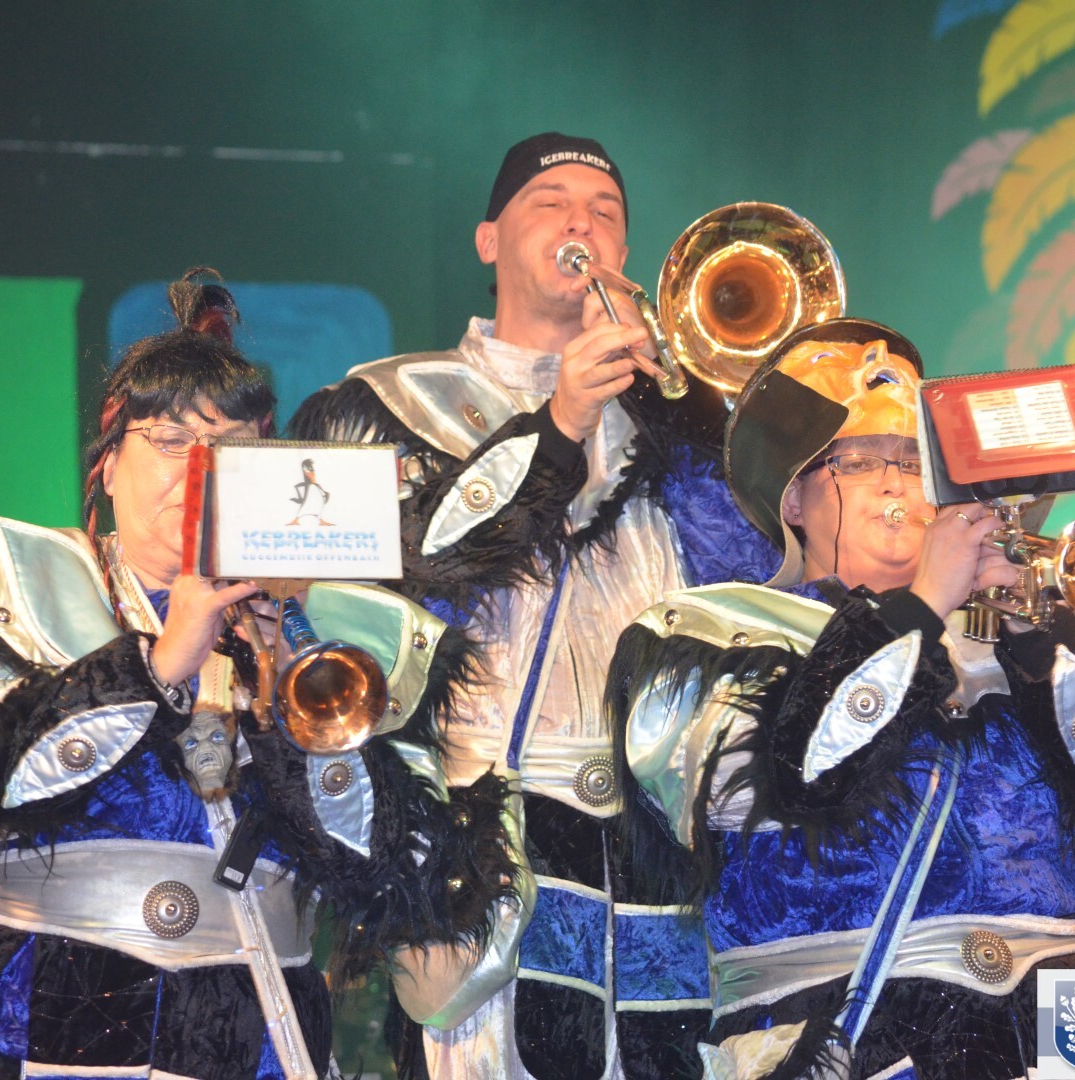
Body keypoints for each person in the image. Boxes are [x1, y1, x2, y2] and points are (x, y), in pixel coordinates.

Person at [0, 271, 511, 1079]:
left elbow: (388, 876)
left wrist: (293, 698)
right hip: (29, 1015)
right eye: (170, 443)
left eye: (230, 450)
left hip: (254, 1028)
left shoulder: (327, 628)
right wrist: (163, 661)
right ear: (107, 464)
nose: (199, 472)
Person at [607, 321, 1075, 1078]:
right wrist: (918, 609)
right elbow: (790, 783)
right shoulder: (710, 628)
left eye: (916, 462)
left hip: (1063, 1032)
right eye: (858, 462)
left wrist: (1036, 641)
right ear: (793, 498)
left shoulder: (1002, 641)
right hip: (852, 1032)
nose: (895, 483)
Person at [288, 134, 720, 1078]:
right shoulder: (381, 404)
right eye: (550, 202)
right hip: (485, 827)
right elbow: (384, 598)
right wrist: (561, 422)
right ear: (488, 241)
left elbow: (756, 578)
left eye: (605, 213)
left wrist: (683, 405)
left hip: (655, 838)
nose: (580, 223)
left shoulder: (674, 416)